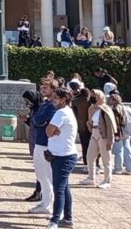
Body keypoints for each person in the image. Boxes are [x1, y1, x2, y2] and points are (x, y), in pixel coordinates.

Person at [45, 88, 78, 229]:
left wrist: (50, 128)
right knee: (64, 188)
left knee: (59, 189)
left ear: (63, 99)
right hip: (63, 155)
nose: (53, 102)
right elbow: (51, 131)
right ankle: (68, 218)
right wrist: (51, 129)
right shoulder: (68, 111)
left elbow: (48, 131)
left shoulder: (61, 112)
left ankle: (55, 221)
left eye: (56, 99)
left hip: (63, 157)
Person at [26, 79, 57, 213]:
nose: (43, 90)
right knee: (41, 175)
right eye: (42, 87)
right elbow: (36, 120)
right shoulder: (45, 104)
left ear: (53, 89)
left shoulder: (52, 106)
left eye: (46, 88)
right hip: (39, 141)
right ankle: (45, 202)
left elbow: (38, 119)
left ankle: (52, 205)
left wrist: (37, 120)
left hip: (46, 143)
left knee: (48, 176)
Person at [80, 89, 117, 189]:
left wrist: (110, 140)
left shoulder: (105, 109)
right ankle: (91, 178)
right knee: (90, 156)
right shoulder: (92, 108)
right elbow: (91, 122)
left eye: (94, 95)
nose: (92, 97)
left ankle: (107, 180)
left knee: (106, 159)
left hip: (103, 135)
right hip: (94, 134)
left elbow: (110, 127)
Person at [108, 93, 131, 175]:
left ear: (113, 100)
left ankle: (118, 169)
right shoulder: (125, 107)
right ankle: (130, 168)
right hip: (126, 131)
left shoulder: (115, 109)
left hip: (119, 132)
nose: (108, 101)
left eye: (110, 99)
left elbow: (116, 122)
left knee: (118, 150)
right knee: (127, 150)